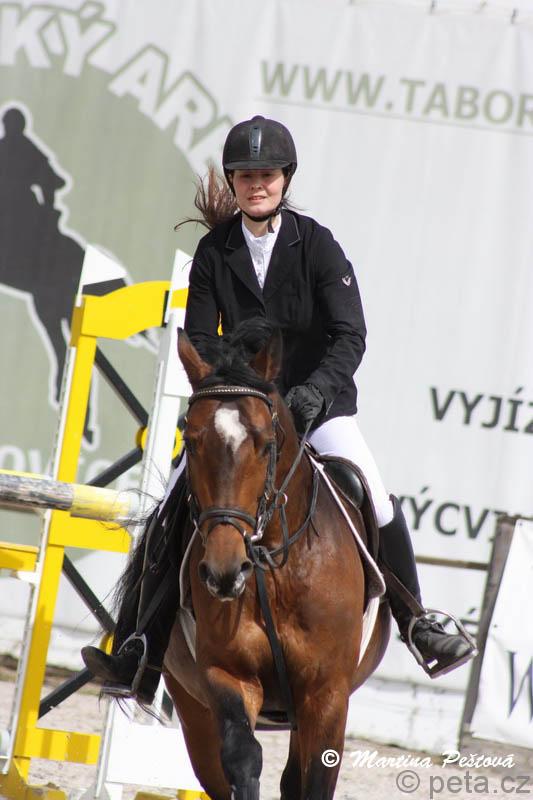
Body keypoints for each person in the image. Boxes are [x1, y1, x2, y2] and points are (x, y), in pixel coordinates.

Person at [82, 115, 476, 702]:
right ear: (234, 183)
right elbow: (202, 339)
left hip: (319, 408)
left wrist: (315, 391)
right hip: (245, 413)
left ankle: (417, 621)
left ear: (285, 179)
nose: (256, 185)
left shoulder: (316, 244)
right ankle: (139, 644)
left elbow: (350, 334)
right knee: (173, 501)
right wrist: (237, 393)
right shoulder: (215, 251)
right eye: (245, 176)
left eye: (266, 175)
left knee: (374, 494)